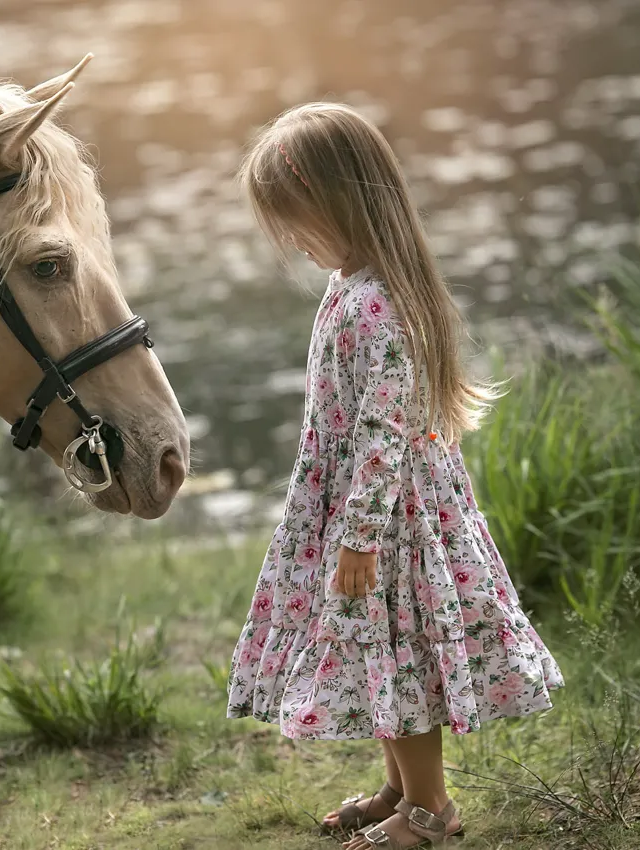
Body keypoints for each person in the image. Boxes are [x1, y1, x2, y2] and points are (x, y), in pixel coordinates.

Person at [225, 102, 564, 848]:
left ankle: (431, 810)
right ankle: (399, 786)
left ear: (342, 202)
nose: (294, 242)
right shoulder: (351, 284)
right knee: (374, 650)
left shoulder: (379, 304)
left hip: (389, 518)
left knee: (399, 653)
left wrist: (359, 535)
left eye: (299, 221)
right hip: (356, 505)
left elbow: (384, 430)